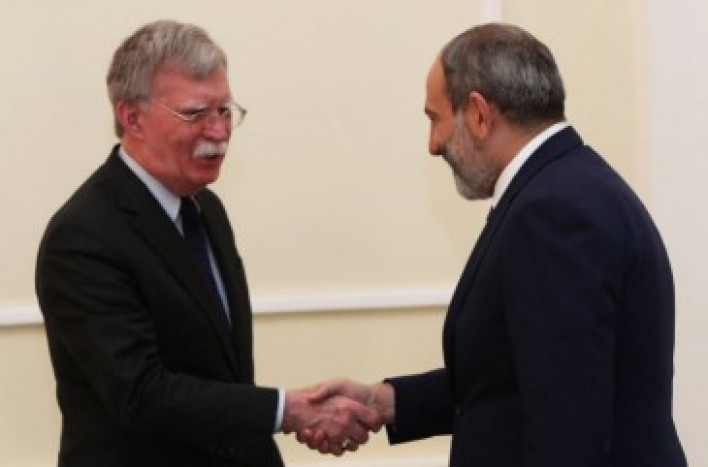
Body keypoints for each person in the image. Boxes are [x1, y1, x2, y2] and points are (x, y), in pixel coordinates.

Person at [303, 23, 688, 467]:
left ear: (479, 114)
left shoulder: (553, 212)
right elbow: (512, 378)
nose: (433, 145)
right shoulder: (567, 187)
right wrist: (383, 401)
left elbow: (566, 431)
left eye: (435, 118)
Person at [35, 20, 379, 467]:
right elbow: (140, 394)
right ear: (132, 118)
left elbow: (222, 374)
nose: (218, 132)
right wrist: (288, 410)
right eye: (196, 114)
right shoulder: (83, 236)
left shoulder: (205, 208)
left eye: (225, 111)